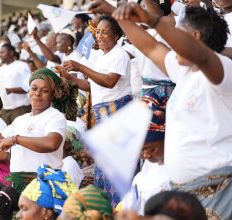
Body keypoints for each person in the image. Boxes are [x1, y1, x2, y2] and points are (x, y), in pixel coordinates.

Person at [112, 3, 232, 218]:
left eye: (177, 34)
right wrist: (117, 16)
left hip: (218, 191)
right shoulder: (185, 72)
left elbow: (203, 56)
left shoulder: (223, 71)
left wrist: (154, 21)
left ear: (194, 37)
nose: (168, 40)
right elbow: (150, 48)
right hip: (188, 193)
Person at [56, 15, 132, 207]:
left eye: (104, 32)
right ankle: (108, 208)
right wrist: (68, 75)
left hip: (118, 112)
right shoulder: (102, 57)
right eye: (97, 32)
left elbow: (109, 81)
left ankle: (123, 209)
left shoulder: (119, 54)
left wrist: (80, 66)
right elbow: (90, 86)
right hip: (103, 114)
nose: (99, 36)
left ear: (116, 35)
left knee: (118, 166)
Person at [0, 68, 78, 193]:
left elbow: (51, 143)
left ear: (53, 95)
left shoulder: (55, 116)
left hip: (44, 185)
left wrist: (16, 139)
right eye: (34, 88)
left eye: (45, 91)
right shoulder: (20, 119)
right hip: (18, 183)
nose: (37, 93)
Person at [0, 44, 31, 125]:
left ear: (11, 52)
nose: (0, 55)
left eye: (3, 52)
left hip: (21, 108)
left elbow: (28, 87)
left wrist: (10, 90)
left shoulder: (21, 65)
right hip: (5, 110)